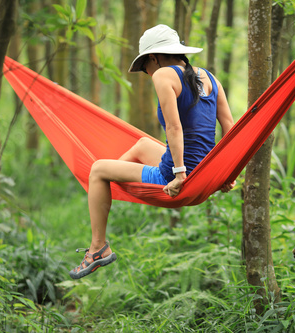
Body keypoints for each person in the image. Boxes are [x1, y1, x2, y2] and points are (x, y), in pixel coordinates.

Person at [69, 24, 235, 279]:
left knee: (97, 169)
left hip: (174, 175)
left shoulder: (163, 75)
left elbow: (174, 127)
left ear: (153, 58)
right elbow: (231, 130)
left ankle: (97, 247)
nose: (146, 74)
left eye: (144, 67)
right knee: (143, 145)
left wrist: (179, 175)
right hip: (205, 172)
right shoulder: (211, 78)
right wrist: (226, 174)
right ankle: (113, 186)